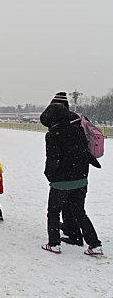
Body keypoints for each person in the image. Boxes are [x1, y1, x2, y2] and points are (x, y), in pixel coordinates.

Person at [40, 103, 103, 255]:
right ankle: (95, 245)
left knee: (53, 212)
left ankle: (54, 243)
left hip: (61, 182)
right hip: (81, 180)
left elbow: (53, 159)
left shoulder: (53, 134)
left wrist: (50, 175)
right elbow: (84, 153)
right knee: (80, 212)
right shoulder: (78, 130)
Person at [49, 92, 84, 246]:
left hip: (65, 171)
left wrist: (51, 173)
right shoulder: (77, 118)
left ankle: (73, 233)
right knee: (76, 205)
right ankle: (73, 230)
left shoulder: (62, 121)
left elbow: (56, 152)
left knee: (65, 204)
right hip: (80, 168)